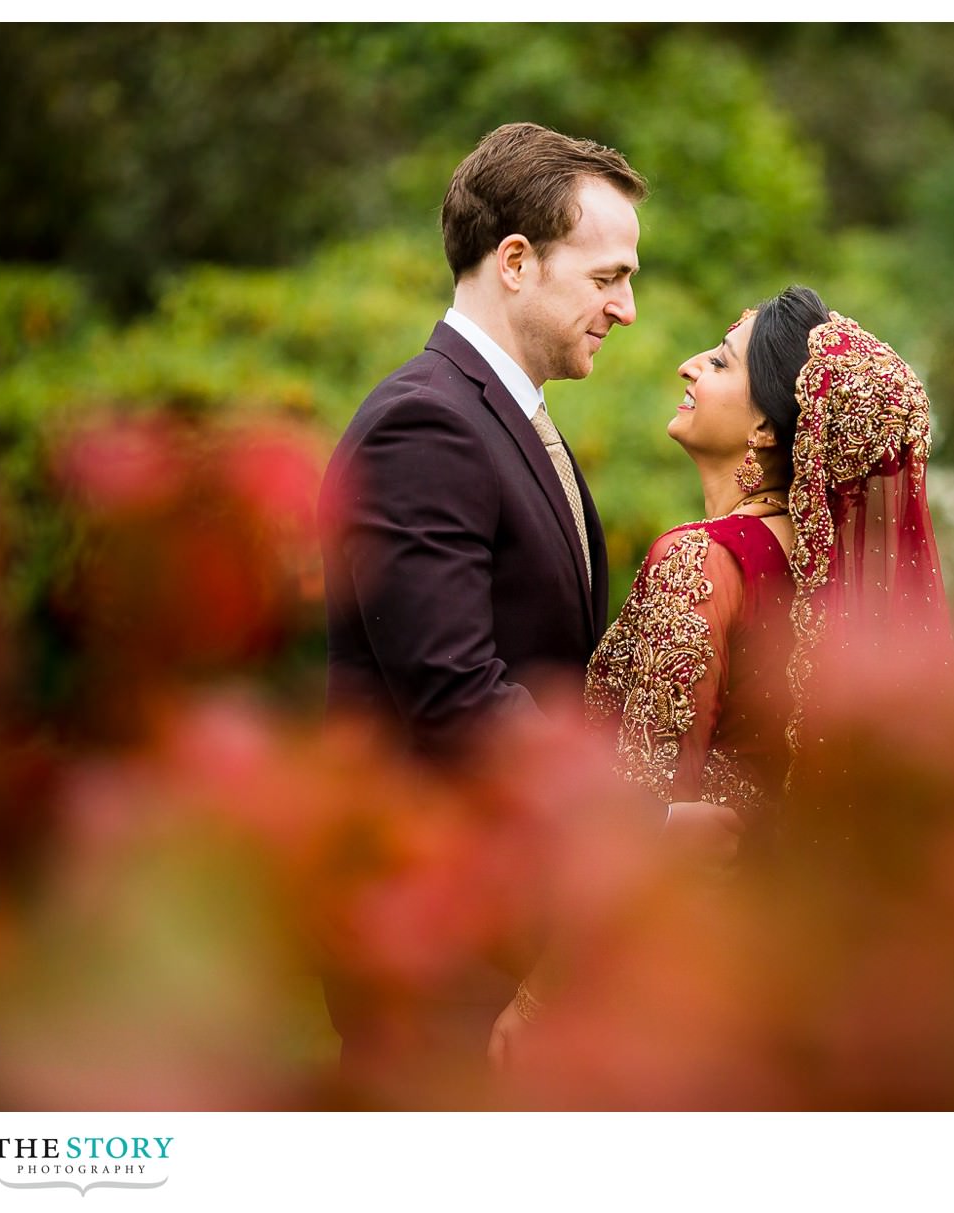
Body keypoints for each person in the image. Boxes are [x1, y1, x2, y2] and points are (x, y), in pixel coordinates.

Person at [487, 285, 950, 1064]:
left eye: (721, 359)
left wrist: (541, 997)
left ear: (767, 426)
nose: (687, 364)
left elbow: (639, 813)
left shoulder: (702, 563)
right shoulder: (837, 591)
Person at [314, 122, 648, 1096]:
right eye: (606, 277)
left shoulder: (501, 418)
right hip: (434, 940)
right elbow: (455, 691)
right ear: (514, 261)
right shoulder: (427, 423)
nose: (626, 309)